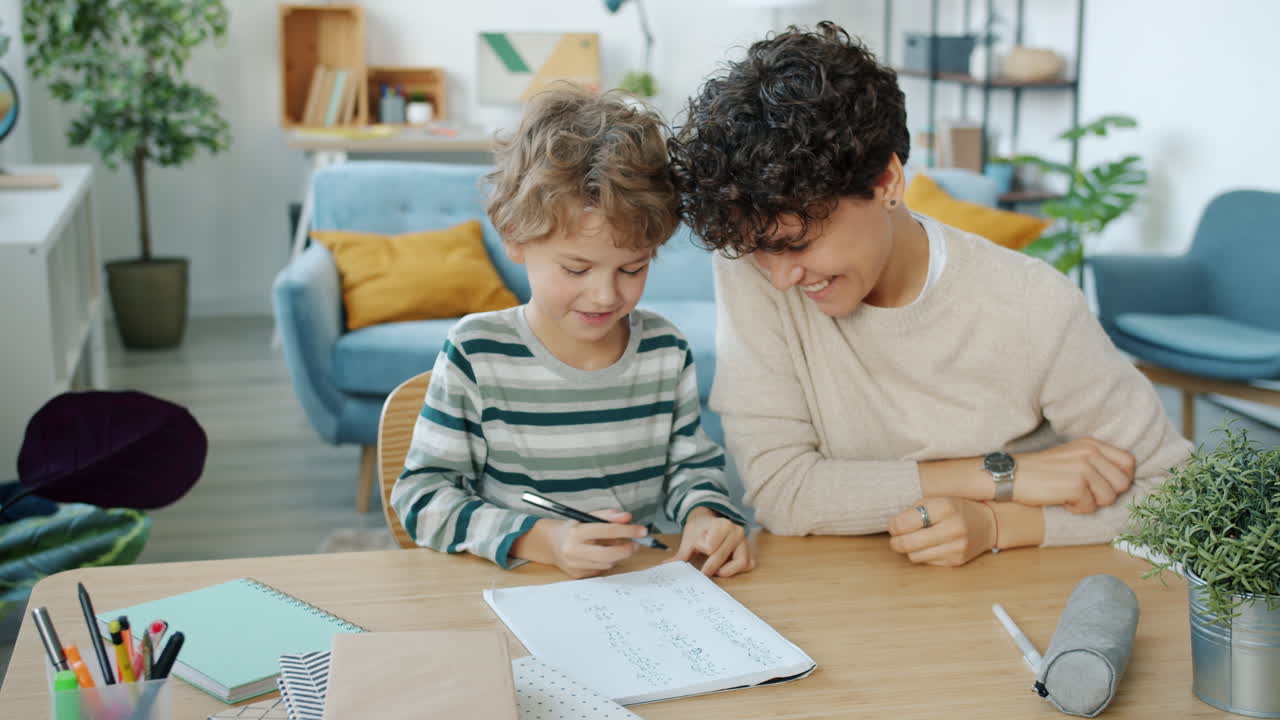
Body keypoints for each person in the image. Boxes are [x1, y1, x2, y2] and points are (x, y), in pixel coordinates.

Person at [666, 23, 1191, 566]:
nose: (780, 278)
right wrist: (1001, 476)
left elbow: (1177, 493)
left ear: (887, 183)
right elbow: (784, 492)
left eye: (798, 243)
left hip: (1014, 587)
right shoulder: (751, 270)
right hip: (843, 588)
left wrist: (1003, 524)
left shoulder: (1031, 305)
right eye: (760, 249)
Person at [391, 85, 752, 579]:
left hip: (632, 590)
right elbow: (420, 497)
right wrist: (541, 540)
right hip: (519, 586)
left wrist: (704, 516)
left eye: (632, 269)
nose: (605, 296)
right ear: (515, 237)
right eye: (577, 269)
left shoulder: (664, 350)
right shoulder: (478, 353)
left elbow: (691, 468)